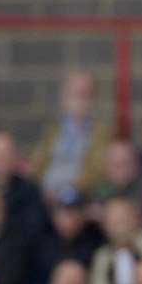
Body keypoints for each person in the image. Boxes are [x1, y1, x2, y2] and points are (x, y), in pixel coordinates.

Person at [30, 70, 111, 198]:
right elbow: (36, 166)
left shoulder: (103, 134)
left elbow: (97, 171)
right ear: (64, 97)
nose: (80, 98)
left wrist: (68, 189)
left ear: (94, 99)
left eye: (85, 93)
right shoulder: (52, 132)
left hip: (79, 197)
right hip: (44, 196)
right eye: (75, 92)